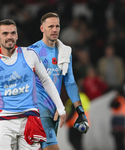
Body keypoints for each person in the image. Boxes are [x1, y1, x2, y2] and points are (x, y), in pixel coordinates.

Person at [0, 19, 66, 150]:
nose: (9, 37)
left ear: (17, 35)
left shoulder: (30, 55)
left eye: (12, 33)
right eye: (5, 33)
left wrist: (61, 108)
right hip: (5, 122)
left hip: (30, 119)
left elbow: (47, 81)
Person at [29, 12, 89, 150]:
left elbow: (70, 82)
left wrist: (79, 111)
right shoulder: (32, 51)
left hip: (54, 111)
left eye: (57, 26)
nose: (54, 29)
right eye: (50, 26)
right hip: (38, 111)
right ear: (42, 28)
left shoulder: (65, 52)